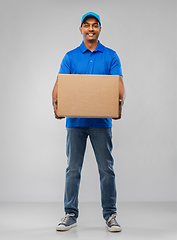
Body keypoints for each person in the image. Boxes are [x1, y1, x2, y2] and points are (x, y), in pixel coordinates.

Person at [52, 12, 125, 232]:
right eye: (87, 25)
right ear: (81, 29)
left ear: (100, 29)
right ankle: (70, 214)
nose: (91, 29)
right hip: (75, 123)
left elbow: (119, 84)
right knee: (73, 169)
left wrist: (119, 106)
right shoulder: (71, 57)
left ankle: (110, 215)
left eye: (95, 26)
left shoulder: (111, 56)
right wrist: (55, 106)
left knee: (106, 169)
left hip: (101, 123)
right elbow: (59, 84)